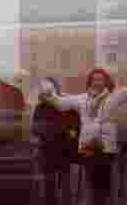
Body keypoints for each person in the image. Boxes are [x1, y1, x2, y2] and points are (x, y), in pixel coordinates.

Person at [40, 66, 127, 205]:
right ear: (90, 82)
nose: (97, 82)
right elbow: (60, 104)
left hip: (106, 146)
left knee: (103, 185)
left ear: (106, 81)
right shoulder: (81, 99)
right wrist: (48, 93)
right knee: (93, 184)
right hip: (87, 146)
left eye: (100, 79)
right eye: (94, 79)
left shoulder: (113, 97)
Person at [33, 77, 78, 205]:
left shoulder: (66, 105)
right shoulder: (40, 108)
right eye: (44, 89)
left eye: (50, 88)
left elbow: (73, 128)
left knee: (66, 188)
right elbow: (36, 129)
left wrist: (68, 132)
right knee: (49, 186)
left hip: (65, 153)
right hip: (48, 153)